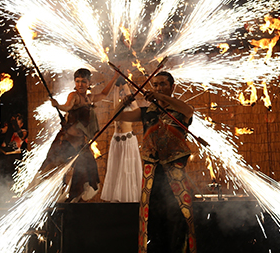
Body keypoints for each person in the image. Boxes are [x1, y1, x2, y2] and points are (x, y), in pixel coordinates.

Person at [117, 71, 196, 253]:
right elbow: (118, 117)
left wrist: (160, 97)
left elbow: (189, 110)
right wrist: (123, 104)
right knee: (153, 218)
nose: (158, 87)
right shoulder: (146, 112)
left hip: (174, 173)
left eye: (163, 84)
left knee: (178, 217)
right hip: (152, 174)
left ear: (172, 87)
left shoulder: (180, 110)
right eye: (155, 85)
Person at [40, 68, 116, 202]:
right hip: (67, 141)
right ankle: (46, 194)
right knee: (55, 168)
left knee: (88, 168)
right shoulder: (73, 95)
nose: (80, 84)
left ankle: (74, 198)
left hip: (80, 143)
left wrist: (115, 77)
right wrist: (58, 105)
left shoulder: (89, 98)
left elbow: (104, 94)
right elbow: (68, 106)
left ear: (89, 83)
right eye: (77, 81)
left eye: (83, 81)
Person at [101, 79, 142, 203]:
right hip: (116, 141)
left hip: (128, 141)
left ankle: (129, 199)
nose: (122, 96)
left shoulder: (134, 107)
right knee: (116, 168)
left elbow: (130, 97)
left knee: (127, 169)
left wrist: (124, 85)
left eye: (125, 94)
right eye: (121, 94)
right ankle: (116, 198)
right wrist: (116, 86)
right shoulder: (117, 108)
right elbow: (115, 99)